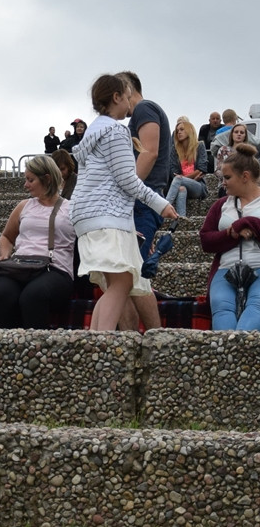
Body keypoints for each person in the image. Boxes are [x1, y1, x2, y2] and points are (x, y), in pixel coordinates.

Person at [69, 74, 176, 331]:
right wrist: (160, 204)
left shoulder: (94, 130)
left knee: (117, 283)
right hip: (107, 215)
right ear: (116, 97)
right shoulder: (116, 130)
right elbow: (128, 180)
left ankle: (96, 341)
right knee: (122, 284)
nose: (130, 103)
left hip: (88, 215)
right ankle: (102, 343)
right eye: (127, 97)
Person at [0, 155, 76, 329]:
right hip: (20, 266)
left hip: (55, 269)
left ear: (47, 179)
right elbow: (6, 237)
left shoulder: (71, 208)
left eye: (30, 180)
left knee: (33, 296)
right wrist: (5, 254)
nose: (25, 185)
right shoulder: (24, 205)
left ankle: (35, 351)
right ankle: (2, 349)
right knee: (1, 293)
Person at [116, 70, 173, 331]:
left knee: (135, 276)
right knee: (124, 276)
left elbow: (148, 153)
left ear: (128, 88)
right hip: (142, 199)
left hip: (142, 200)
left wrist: (127, 190)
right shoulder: (143, 113)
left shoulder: (145, 108)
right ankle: (128, 341)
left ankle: (155, 338)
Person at [201, 143, 260, 330]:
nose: (223, 183)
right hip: (225, 269)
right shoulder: (220, 205)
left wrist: (245, 223)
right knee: (220, 307)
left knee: (256, 307)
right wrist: (231, 233)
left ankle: (237, 348)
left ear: (245, 177)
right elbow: (206, 240)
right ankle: (228, 352)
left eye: (227, 177)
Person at [163, 116, 208, 218]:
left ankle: (164, 208)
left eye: (182, 129)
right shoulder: (174, 150)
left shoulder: (199, 146)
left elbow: (202, 169)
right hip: (183, 183)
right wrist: (191, 176)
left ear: (189, 130)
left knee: (179, 179)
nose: (178, 132)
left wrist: (183, 178)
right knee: (181, 189)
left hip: (198, 186)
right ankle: (181, 219)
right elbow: (173, 172)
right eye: (177, 130)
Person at [215, 123, 250, 196]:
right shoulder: (223, 150)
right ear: (232, 134)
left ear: (245, 136)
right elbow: (218, 170)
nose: (239, 134)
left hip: (243, 184)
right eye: (236, 132)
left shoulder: (248, 151)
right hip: (226, 185)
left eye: (242, 132)